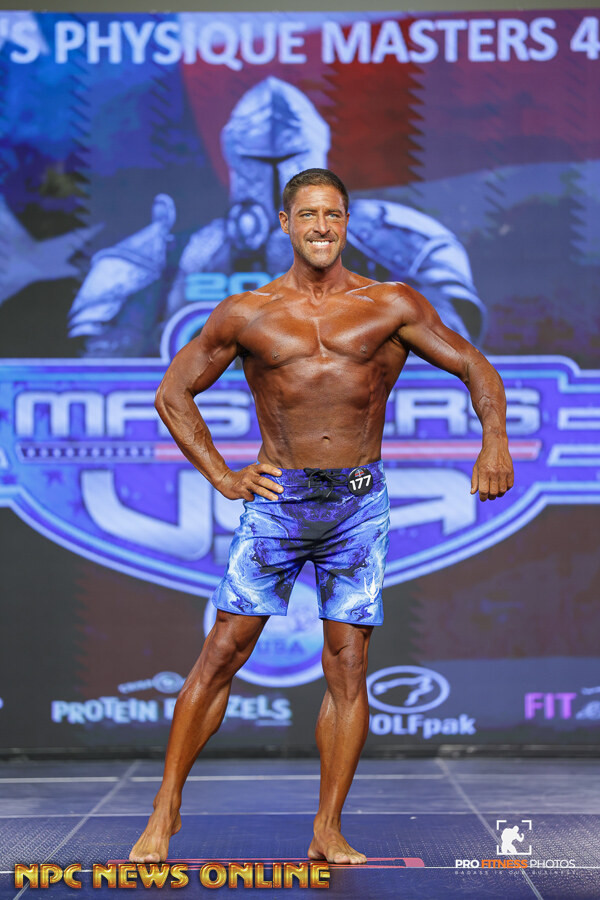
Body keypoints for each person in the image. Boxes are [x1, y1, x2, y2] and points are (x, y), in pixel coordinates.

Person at [129, 168, 514, 866]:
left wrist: (494, 443)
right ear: (286, 223)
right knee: (223, 652)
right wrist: (223, 475)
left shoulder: (390, 304)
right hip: (279, 504)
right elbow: (172, 394)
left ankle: (328, 828)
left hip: (357, 506)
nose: (321, 227)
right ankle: (165, 809)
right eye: (308, 214)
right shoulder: (247, 313)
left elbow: (476, 368)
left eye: (333, 214)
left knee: (348, 664)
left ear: (346, 223)